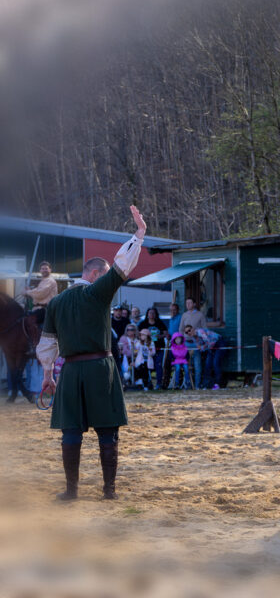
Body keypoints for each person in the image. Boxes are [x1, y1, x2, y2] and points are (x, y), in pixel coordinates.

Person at [37, 205, 146, 501]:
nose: (107, 280)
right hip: (100, 370)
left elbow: (47, 344)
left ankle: (71, 492)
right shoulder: (97, 292)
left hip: (69, 372)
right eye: (104, 276)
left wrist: (48, 375)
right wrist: (139, 234)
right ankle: (109, 491)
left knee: (70, 432)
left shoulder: (56, 303)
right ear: (95, 274)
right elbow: (123, 265)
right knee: (108, 432)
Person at [138, 308, 168, 388]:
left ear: (156, 314)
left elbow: (165, 334)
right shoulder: (143, 324)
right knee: (147, 366)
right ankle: (148, 384)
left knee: (158, 365)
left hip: (159, 348)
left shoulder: (160, 323)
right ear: (147, 314)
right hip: (147, 349)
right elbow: (139, 335)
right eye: (150, 313)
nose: (151, 314)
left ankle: (158, 383)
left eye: (153, 313)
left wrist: (159, 336)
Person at [22, 260, 58, 326]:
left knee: (26, 323)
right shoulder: (43, 281)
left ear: (50, 270)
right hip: (39, 309)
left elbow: (40, 293)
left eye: (46, 268)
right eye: (42, 269)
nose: (44, 270)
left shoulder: (50, 280)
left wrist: (27, 292)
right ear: (40, 270)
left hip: (44, 310)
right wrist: (30, 291)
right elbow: (37, 291)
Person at [116, 324, 138, 388]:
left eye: (132, 329)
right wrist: (135, 353)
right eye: (128, 330)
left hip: (138, 358)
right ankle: (128, 382)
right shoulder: (123, 338)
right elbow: (124, 351)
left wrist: (136, 353)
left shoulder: (138, 338)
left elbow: (140, 349)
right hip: (127, 359)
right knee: (127, 371)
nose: (129, 331)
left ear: (135, 331)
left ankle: (139, 382)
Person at [182, 325, 203, 389]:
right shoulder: (187, 340)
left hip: (197, 352)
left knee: (197, 368)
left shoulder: (199, 334)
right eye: (186, 332)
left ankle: (197, 386)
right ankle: (189, 385)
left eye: (189, 330)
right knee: (188, 369)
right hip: (189, 354)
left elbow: (202, 345)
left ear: (192, 329)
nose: (188, 333)